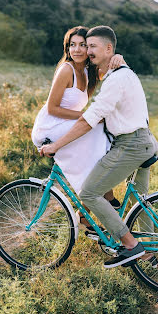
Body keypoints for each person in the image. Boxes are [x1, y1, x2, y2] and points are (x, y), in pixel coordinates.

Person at [41, 25, 158, 269]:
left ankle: (131, 247)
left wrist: (57, 145)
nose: (87, 50)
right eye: (86, 45)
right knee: (142, 202)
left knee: (89, 193)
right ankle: (149, 253)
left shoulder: (116, 79)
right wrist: (115, 59)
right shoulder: (120, 72)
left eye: (91, 46)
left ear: (108, 48)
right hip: (143, 141)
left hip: (131, 145)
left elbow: (86, 120)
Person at [32, 26, 125, 233]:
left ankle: (87, 211)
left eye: (82, 45)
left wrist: (117, 57)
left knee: (100, 141)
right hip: (50, 125)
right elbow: (52, 108)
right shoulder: (67, 69)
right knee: (95, 133)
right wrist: (88, 118)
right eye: (72, 45)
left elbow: (110, 67)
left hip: (66, 123)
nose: (76, 49)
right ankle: (106, 198)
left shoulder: (87, 71)